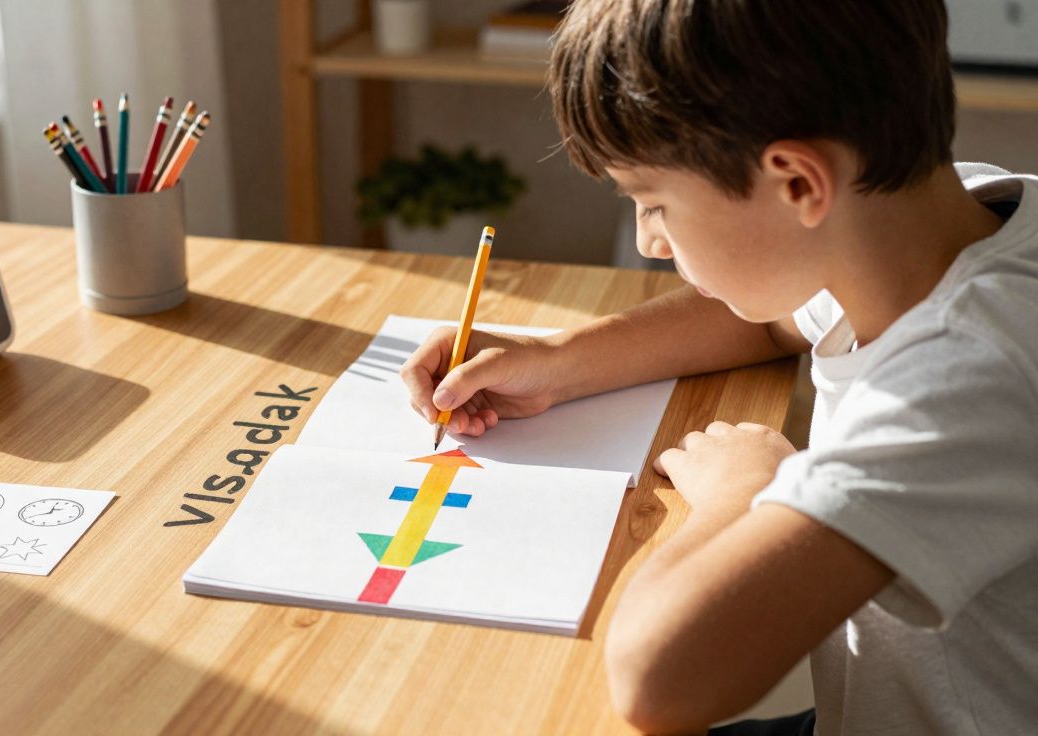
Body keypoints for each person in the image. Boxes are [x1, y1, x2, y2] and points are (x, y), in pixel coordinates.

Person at [399, 1, 1038, 733]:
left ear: (798, 183)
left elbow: (658, 684)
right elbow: (772, 320)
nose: (649, 243)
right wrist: (557, 361)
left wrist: (748, 493)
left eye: (656, 204)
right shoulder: (933, 222)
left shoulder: (963, 384)